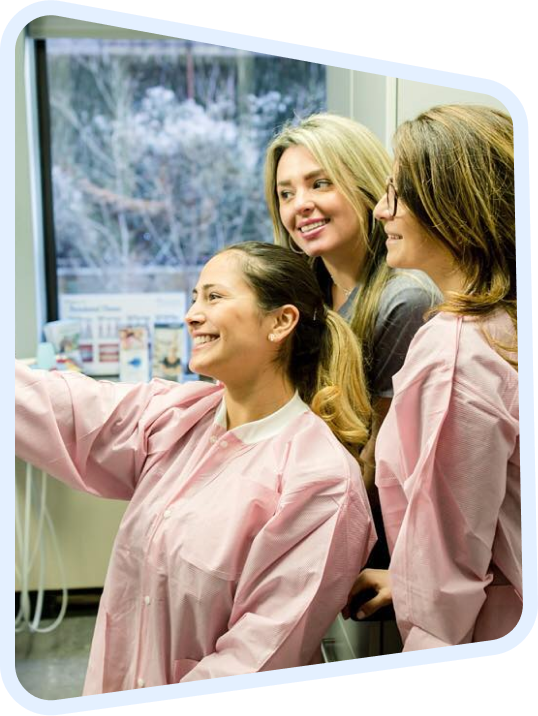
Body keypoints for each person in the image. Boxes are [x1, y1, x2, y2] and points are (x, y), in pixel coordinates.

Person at [15, 242, 376, 694]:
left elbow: (257, 659)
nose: (191, 314)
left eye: (214, 297)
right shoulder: (178, 417)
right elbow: (61, 406)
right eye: (194, 297)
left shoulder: (320, 483)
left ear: (281, 322)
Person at [347, 104, 521, 650]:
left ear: (449, 203)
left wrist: (423, 598)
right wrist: (410, 577)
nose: (380, 211)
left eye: (395, 192)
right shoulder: (506, 322)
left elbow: (449, 580)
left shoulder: (454, 352)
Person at [265, 112, 440, 583]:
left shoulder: (402, 299)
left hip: (371, 536)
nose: (300, 205)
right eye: (286, 193)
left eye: (319, 183)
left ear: (364, 184)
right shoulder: (305, 294)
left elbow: (379, 461)